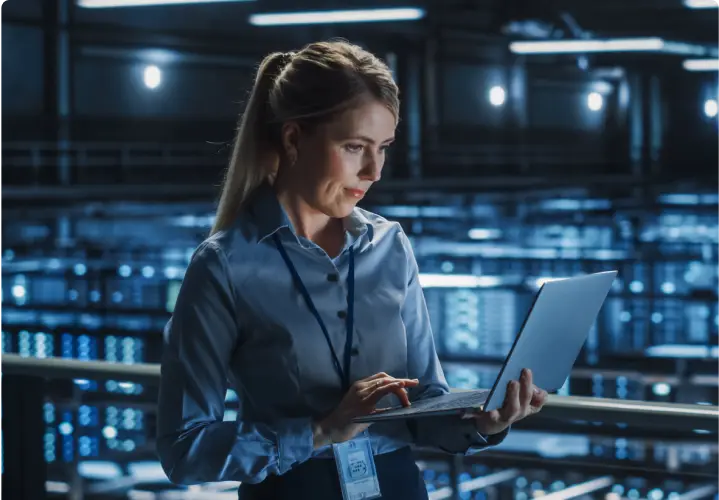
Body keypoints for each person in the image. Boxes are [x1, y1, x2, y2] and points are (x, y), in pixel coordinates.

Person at [156, 40, 548, 500]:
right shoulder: (225, 264)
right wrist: (321, 431)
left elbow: (424, 400)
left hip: (399, 487)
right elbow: (184, 449)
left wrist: (484, 423)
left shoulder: (390, 245)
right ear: (294, 138)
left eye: (383, 148)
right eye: (354, 146)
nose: (373, 171)